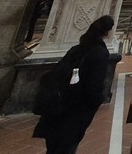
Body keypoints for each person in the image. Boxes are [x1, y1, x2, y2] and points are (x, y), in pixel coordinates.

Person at [32, 15, 114, 154]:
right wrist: (97, 100)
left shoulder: (75, 49)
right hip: (76, 108)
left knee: (55, 146)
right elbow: (94, 87)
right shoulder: (99, 53)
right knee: (67, 145)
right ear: (107, 32)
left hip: (58, 104)